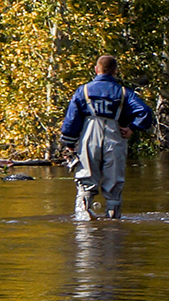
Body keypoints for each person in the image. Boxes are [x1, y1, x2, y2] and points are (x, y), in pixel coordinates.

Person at [59, 55, 153, 220]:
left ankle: (84, 220)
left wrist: (69, 142)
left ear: (96, 69)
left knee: (86, 179)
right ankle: (113, 220)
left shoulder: (84, 90)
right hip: (114, 135)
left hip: (89, 136)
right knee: (114, 182)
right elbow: (145, 112)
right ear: (115, 71)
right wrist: (132, 128)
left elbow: (72, 119)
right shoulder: (123, 92)